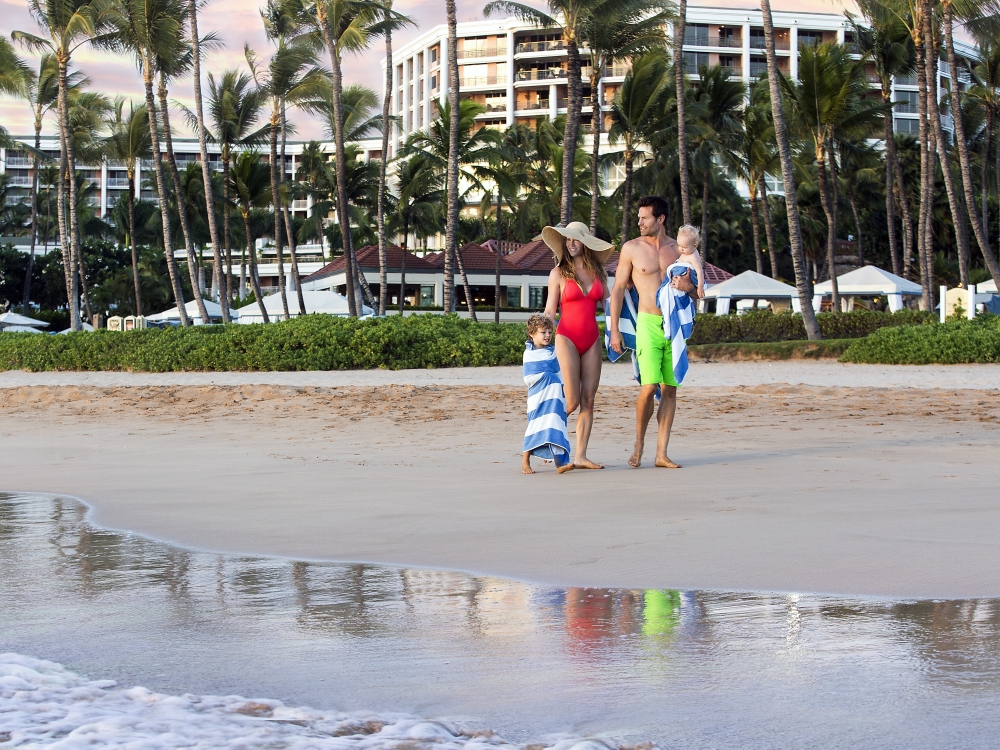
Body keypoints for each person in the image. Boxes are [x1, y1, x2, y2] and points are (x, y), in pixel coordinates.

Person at [608, 196, 697, 469]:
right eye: (638, 217)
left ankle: (661, 453)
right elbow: (618, 289)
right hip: (646, 322)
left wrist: (689, 288)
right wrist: (614, 331)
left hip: (673, 326)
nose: (639, 222)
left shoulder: (679, 251)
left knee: (670, 389)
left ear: (660, 219)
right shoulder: (631, 248)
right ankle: (638, 443)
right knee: (648, 388)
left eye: (644, 217)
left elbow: (696, 290)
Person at [542, 221, 614, 470]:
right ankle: (547, 440)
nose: (571, 244)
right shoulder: (557, 274)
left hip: (592, 339)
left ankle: (581, 456)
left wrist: (618, 331)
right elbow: (551, 310)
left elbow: (609, 307)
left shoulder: (599, 273)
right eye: (568, 240)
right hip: (567, 337)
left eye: (576, 239)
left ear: (585, 243)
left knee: (589, 401)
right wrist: (540, 334)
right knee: (571, 401)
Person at [522, 313, 574, 475]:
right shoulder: (529, 353)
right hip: (538, 397)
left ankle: (560, 463)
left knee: (555, 424)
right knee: (535, 426)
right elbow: (529, 377)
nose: (547, 336)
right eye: (543, 332)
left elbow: (559, 372)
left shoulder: (553, 351)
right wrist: (548, 376)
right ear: (532, 333)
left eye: (550, 332)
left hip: (554, 397)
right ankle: (525, 462)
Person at [675, 225, 706, 300]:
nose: (681, 249)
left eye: (684, 247)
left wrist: (700, 287)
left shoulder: (693, 256)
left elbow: (699, 271)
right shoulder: (685, 253)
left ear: (695, 246)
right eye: (679, 246)